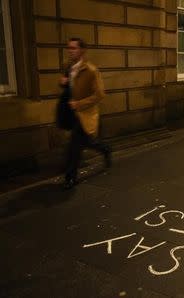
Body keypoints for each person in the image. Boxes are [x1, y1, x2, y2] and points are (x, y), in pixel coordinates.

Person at [60, 37, 111, 189]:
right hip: (72, 113)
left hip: (85, 114)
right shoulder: (68, 67)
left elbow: (100, 94)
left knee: (73, 146)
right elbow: (70, 89)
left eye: (74, 48)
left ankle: (70, 177)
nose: (70, 51)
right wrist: (62, 82)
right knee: (88, 142)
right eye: (69, 48)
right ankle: (105, 149)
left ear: (82, 50)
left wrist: (79, 104)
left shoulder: (91, 70)